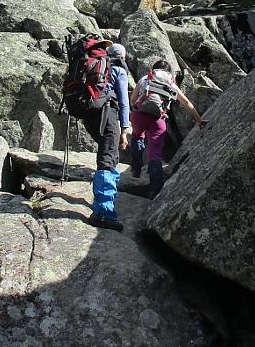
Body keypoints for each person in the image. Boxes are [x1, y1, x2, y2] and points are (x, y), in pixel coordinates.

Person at [130, 59, 205, 198]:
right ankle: (155, 189)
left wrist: (137, 107)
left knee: (137, 136)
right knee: (155, 153)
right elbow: (187, 103)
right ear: (169, 72)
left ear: (154, 69)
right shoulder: (171, 84)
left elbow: (133, 99)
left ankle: (135, 168)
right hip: (157, 120)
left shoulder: (145, 78)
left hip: (139, 115)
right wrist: (199, 120)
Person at [81, 42, 132, 231]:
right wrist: (125, 128)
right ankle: (103, 213)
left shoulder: (94, 68)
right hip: (107, 113)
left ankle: (104, 202)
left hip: (89, 115)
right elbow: (124, 103)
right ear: (123, 57)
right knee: (108, 159)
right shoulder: (118, 70)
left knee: (108, 155)